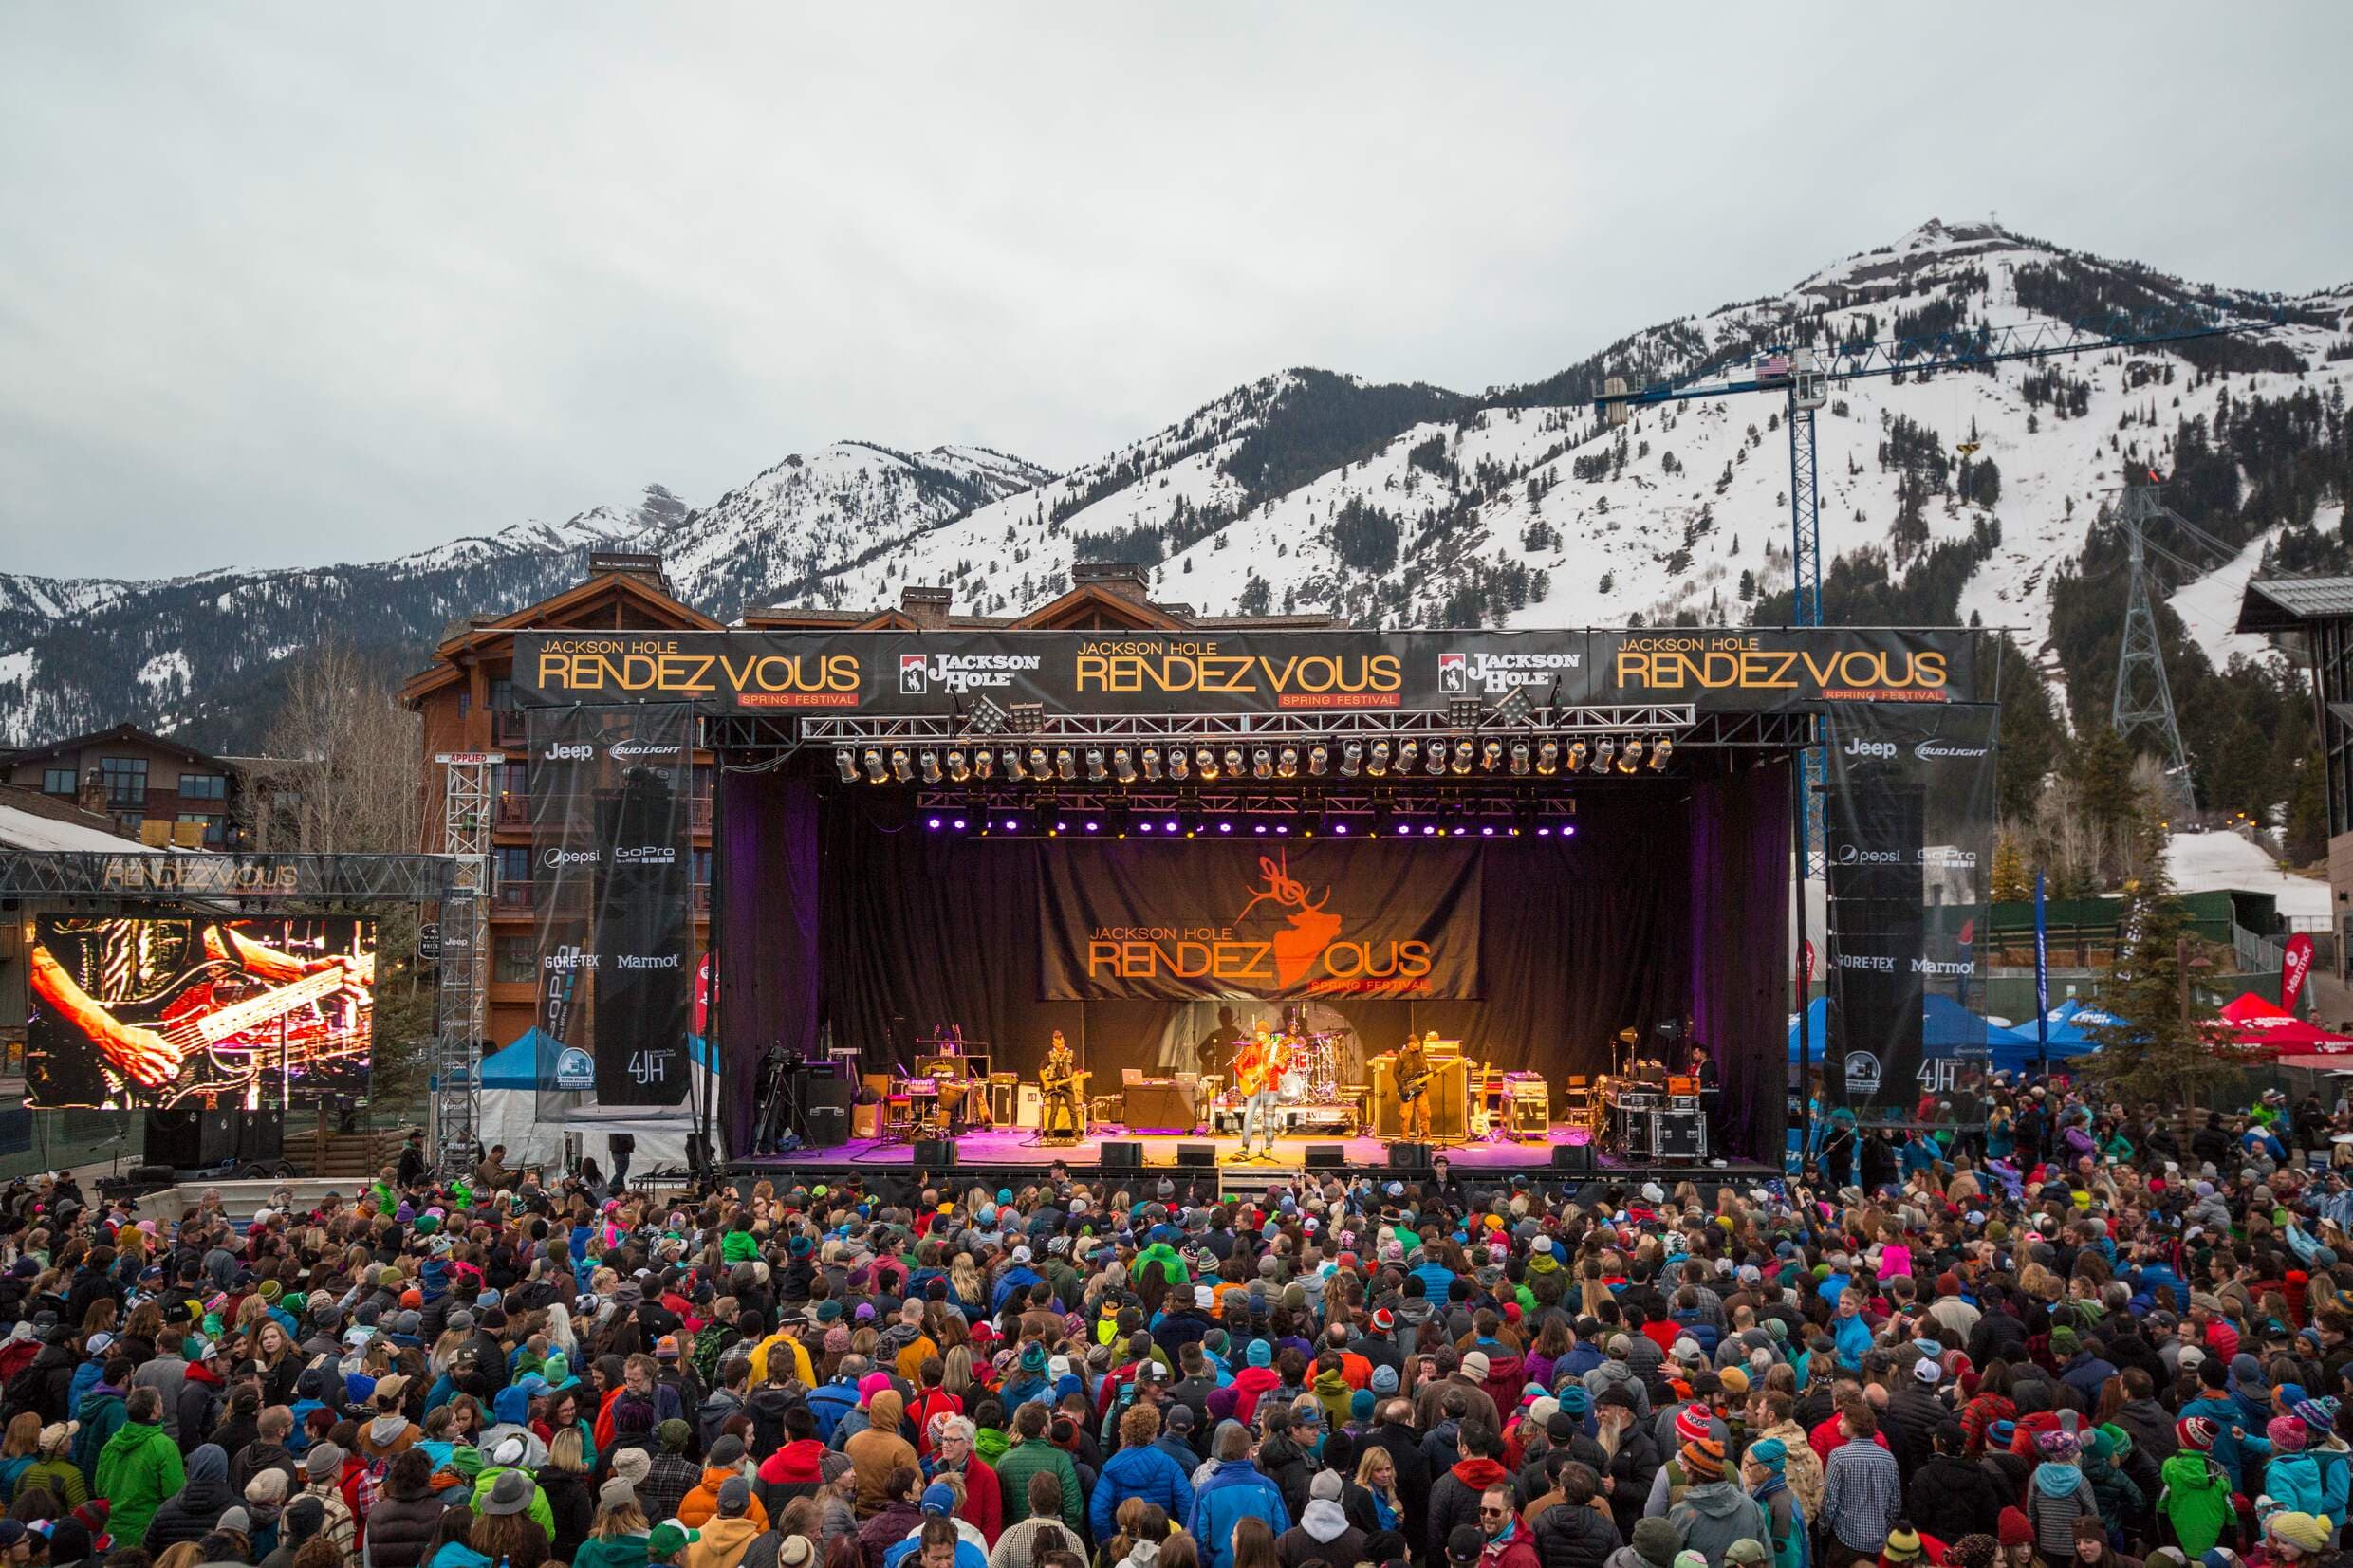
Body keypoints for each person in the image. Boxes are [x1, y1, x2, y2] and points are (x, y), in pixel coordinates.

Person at [1038, 1034, 1083, 1143]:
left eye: (1062, 1043)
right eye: (1058, 1044)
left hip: (1067, 1086)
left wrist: (1076, 1075)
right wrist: (1045, 1083)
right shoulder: (1049, 1055)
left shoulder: (1071, 1054)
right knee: (1054, 1111)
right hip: (1055, 1087)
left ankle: (1076, 1134)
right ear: (1054, 1044)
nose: (1061, 1046)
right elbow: (1041, 1069)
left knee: (1073, 1111)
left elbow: (1076, 1068)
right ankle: (1050, 1134)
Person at [1396, 1033, 1433, 1142]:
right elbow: (1395, 1073)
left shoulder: (1422, 1055)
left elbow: (1425, 1070)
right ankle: (1404, 1137)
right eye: (1416, 1043)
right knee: (1405, 1115)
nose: (1419, 1044)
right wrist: (1403, 1087)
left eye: (1419, 1042)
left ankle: (1426, 1137)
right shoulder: (1402, 1055)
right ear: (1410, 1044)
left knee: (1425, 1113)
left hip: (1421, 1089)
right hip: (1407, 1089)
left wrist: (1431, 1073)